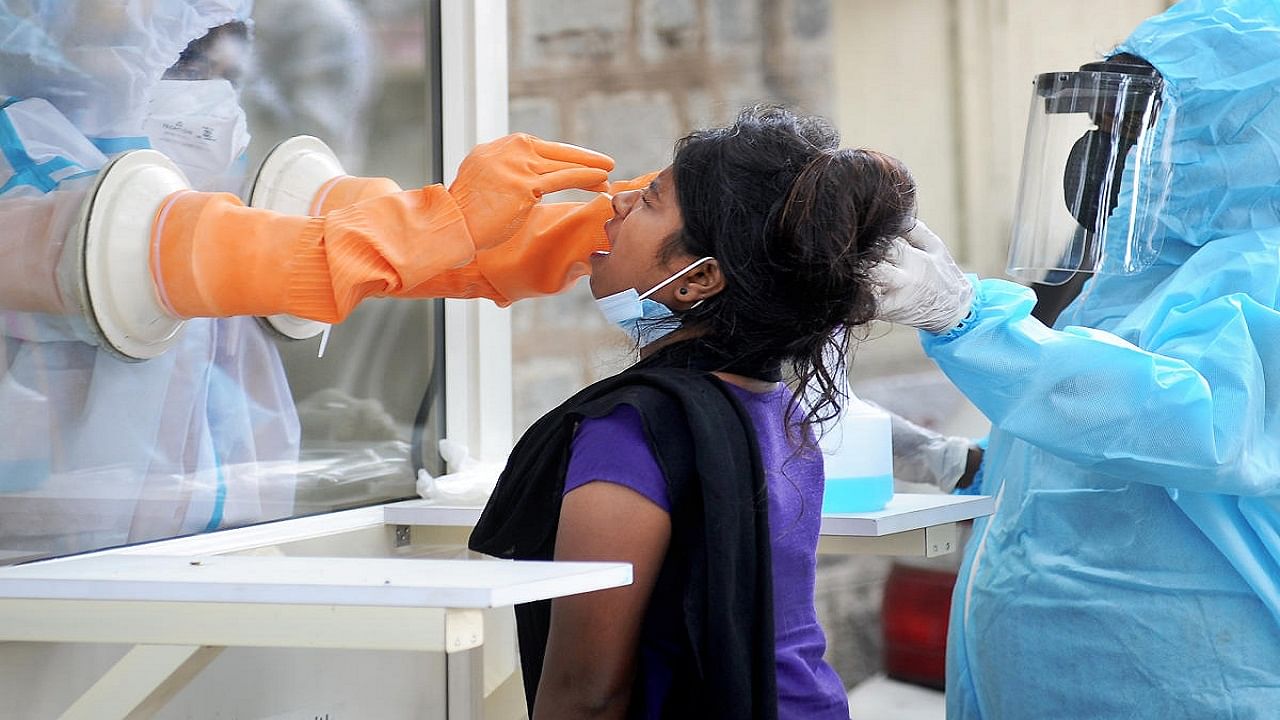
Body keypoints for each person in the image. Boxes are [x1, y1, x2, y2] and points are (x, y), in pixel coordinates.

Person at [0, 0, 613, 558]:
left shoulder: (209, 188)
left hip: (216, 555)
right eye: (185, 68)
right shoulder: (25, 174)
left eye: (228, 74)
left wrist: (594, 231)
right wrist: (441, 219)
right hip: (58, 576)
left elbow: (373, 243)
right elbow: (178, 252)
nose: (214, 97)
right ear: (66, 59)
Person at [871, 1, 1280, 716]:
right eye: (1101, 125)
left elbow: (1193, 425)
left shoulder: (1261, 273)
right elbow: (1104, 464)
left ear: (1235, 135)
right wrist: (963, 464)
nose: (1103, 151)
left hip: (1188, 687)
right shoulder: (1129, 283)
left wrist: (971, 323)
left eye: (1133, 124)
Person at [470, 105, 917, 719]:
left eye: (649, 201)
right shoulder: (780, 412)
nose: (618, 206)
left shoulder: (631, 434)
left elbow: (586, 696)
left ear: (695, 280)